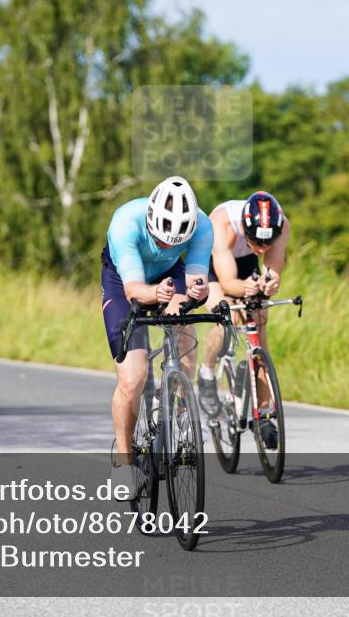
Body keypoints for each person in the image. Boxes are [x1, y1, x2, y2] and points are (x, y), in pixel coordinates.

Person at [101, 176, 212, 498]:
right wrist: (155, 293)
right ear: (151, 221)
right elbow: (135, 290)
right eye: (162, 239)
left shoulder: (203, 226)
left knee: (184, 331)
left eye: (174, 242)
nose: (166, 245)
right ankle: (124, 463)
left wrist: (197, 289)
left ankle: (179, 411)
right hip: (123, 281)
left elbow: (196, 280)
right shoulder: (125, 222)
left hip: (167, 274)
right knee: (133, 380)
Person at [197, 191, 290, 449]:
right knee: (225, 313)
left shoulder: (281, 225)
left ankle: (264, 412)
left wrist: (269, 284)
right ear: (245, 230)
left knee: (259, 328)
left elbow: (273, 270)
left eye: (266, 244)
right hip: (215, 263)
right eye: (256, 243)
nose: (261, 249)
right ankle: (207, 372)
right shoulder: (222, 224)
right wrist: (244, 289)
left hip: (245, 262)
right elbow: (227, 282)